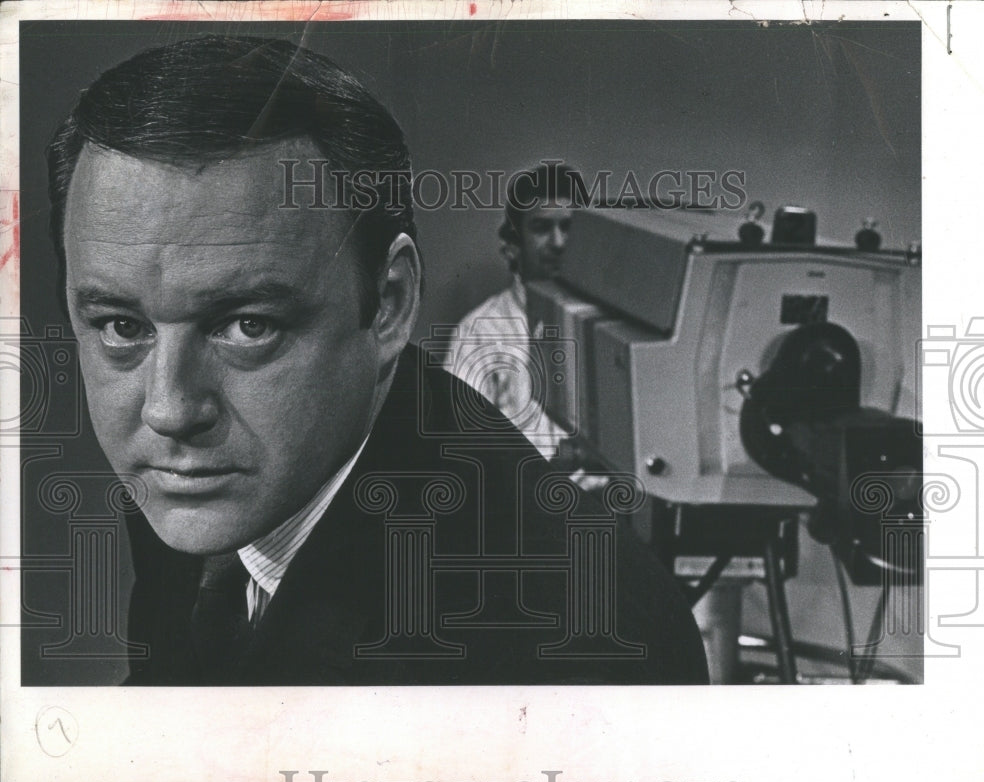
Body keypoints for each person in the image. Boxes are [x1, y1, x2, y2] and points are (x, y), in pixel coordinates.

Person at [48, 35, 707, 685]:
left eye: (248, 325)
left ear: (389, 303)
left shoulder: (581, 645)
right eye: (121, 325)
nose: (168, 409)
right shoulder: (208, 491)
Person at [446, 164, 575, 462]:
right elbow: (461, 452)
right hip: (521, 502)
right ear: (513, 245)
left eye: (568, 227)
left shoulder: (607, 326)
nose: (558, 243)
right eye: (542, 228)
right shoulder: (478, 333)